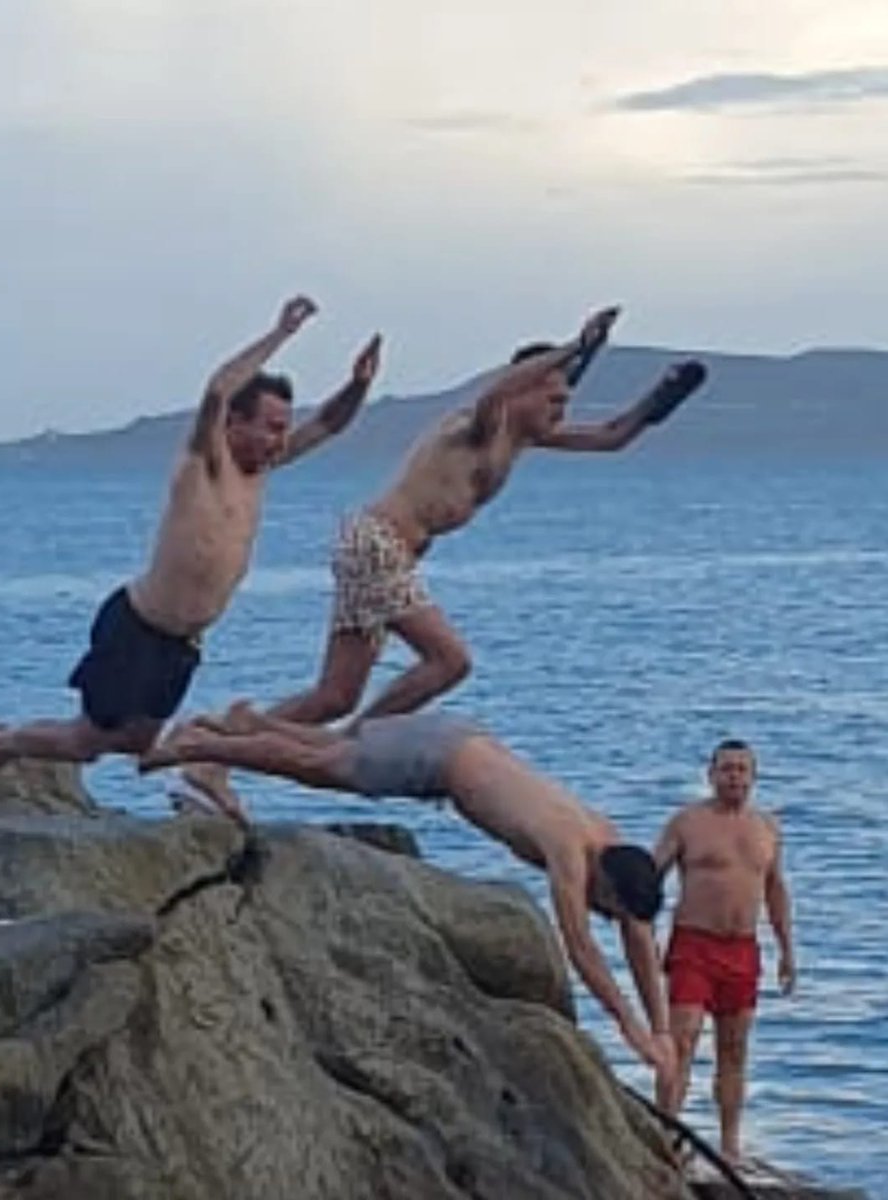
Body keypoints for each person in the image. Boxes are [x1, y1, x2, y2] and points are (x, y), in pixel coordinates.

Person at [179, 306, 706, 815]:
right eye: (553, 398)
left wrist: (667, 394)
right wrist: (577, 344)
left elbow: (614, 436)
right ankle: (354, 745)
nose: (561, 410)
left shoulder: (524, 436)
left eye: (564, 400)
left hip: (379, 551)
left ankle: (218, 750)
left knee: (335, 694)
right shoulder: (481, 425)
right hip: (378, 545)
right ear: (525, 389)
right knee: (450, 662)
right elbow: (503, 390)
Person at [0, 298, 383, 791]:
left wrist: (357, 385)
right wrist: (281, 333)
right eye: (272, 427)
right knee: (86, 743)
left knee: (139, 745)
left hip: (180, 645)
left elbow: (329, 425)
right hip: (138, 628)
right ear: (234, 424)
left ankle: (8, 743)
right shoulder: (206, 463)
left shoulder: (261, 472)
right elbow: (217, 388)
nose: (281, 439)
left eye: (284, 429)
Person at [144, 703, 677, 1082]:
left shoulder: (610, 841)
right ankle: (200, 748)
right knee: (318, 768)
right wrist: (629, 1024)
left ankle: (248, 724)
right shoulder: (569, 849)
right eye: (606, 906)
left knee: (331, 747)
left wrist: (664, 1030)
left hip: (461, 737)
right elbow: (581, 946)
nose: (605, 915)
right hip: (439, 759)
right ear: (604, 882)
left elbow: (639, 936)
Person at [653, 739, 795, 1163]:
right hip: (693, 946)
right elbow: (650, 876)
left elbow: (774, 888)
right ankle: (666, 1137)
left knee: (734, 1050)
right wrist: (640, 931)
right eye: (726, 768)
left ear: (753, 777)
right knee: (683, 1040)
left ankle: (730, 1145)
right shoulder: (687, 823)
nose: (734, 776)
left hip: (742, 951)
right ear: (710, 774)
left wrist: (787, 950)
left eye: (742, 769)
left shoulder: (767, 828)